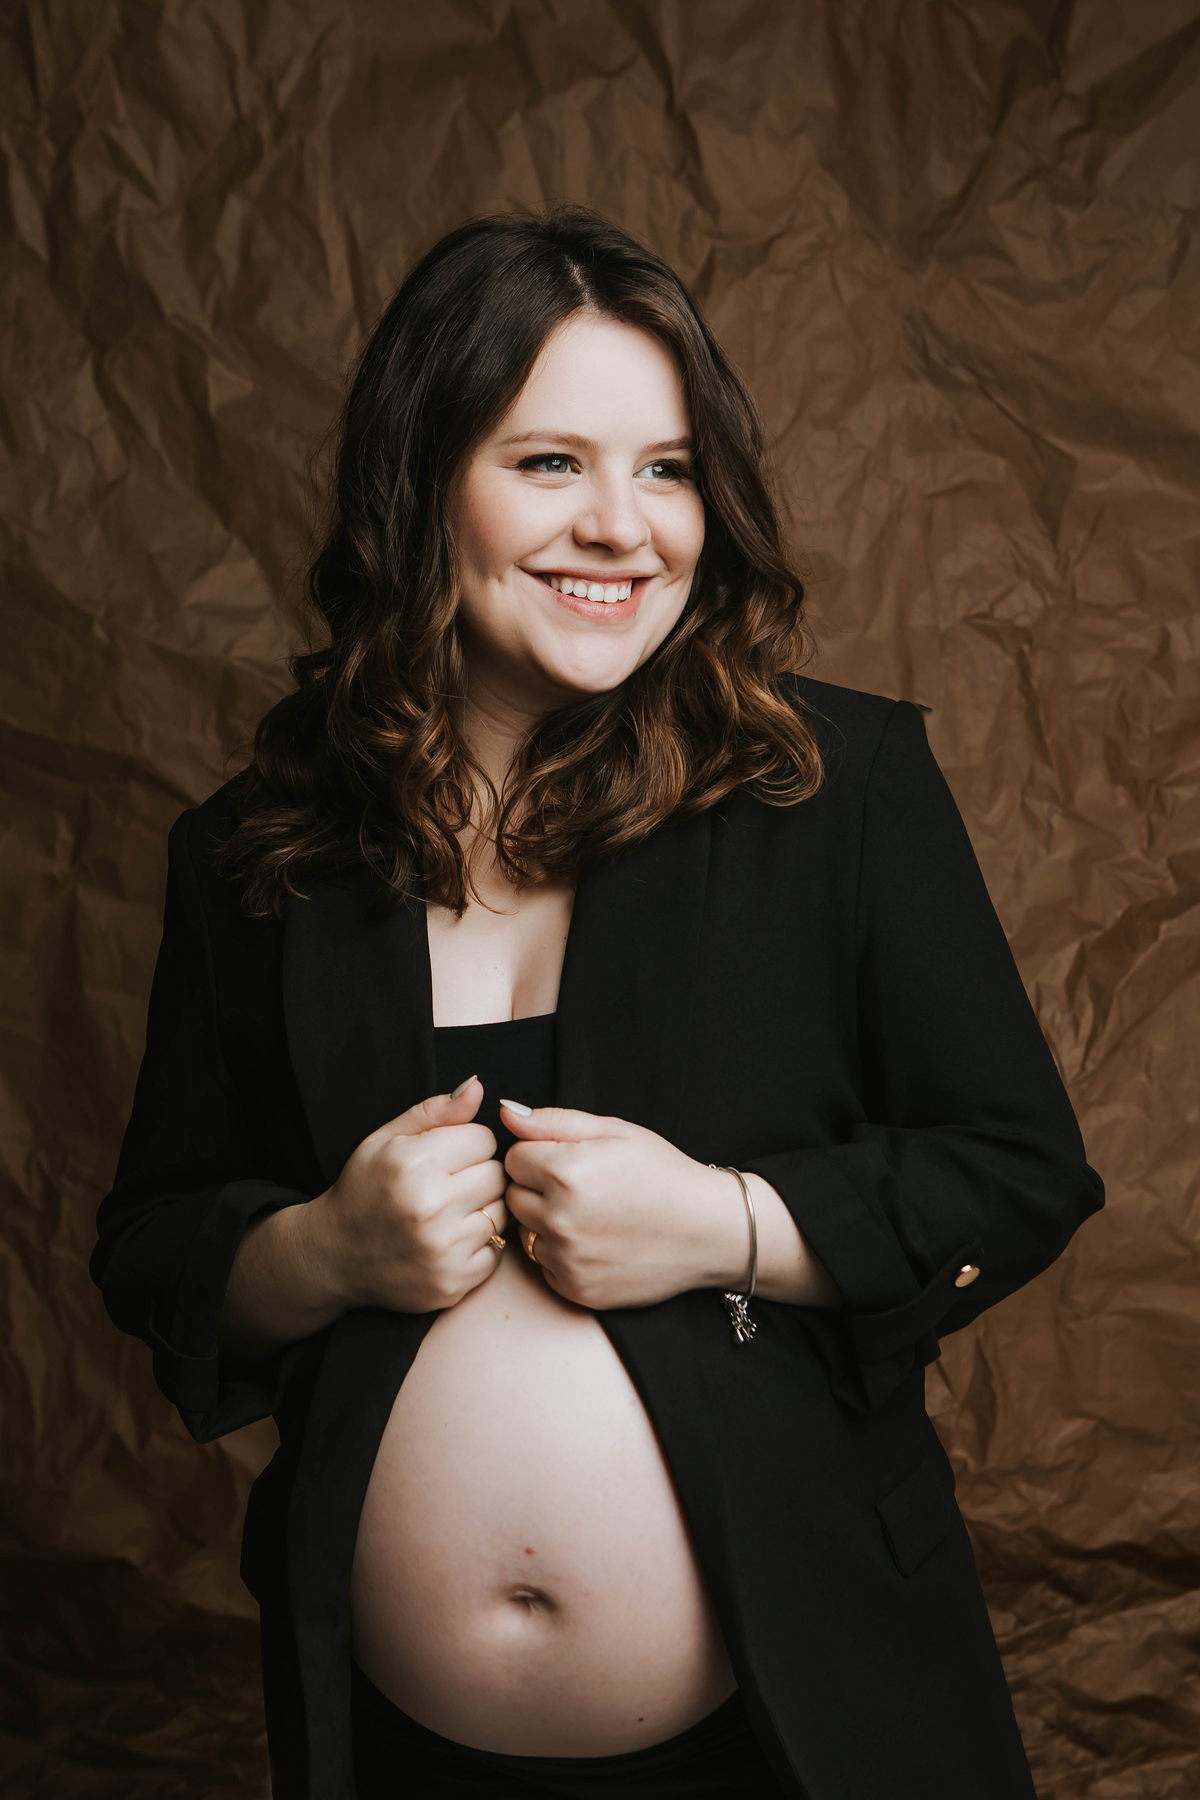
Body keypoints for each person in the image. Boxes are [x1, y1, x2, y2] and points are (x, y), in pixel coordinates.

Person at [91, 207, 1104, 1800]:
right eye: (551, 461)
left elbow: (1020, 1170)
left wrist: (728, 1223)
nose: (624, 526)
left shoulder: (837, 790)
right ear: (422, 482)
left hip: (801, 1727)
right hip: (399, 1753)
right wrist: (320, 1253)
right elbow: (151, 1244)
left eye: (670, 468)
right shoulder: (256, 856)